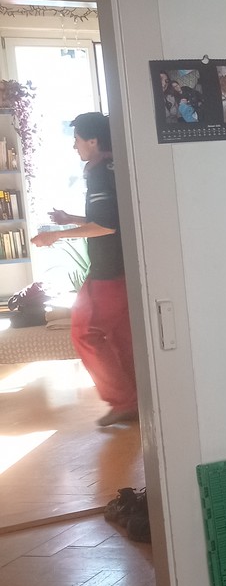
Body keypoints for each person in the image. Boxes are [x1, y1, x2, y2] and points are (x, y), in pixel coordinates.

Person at [30, 112, 138, 428]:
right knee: (119, 335)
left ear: (93, 141)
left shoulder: (99, 173)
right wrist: (71, 219)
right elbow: (114, 218)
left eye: (77, 140)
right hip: (124, 268)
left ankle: (124, 401)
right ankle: (138, 395)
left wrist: (55, 235)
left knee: (84, 332)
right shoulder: (115, 166)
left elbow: (106, 226)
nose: (74, 146)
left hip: (109, 271)